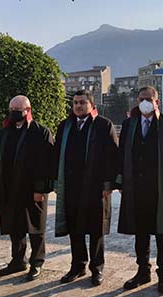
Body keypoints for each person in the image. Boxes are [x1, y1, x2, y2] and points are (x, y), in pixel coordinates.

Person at [113, 86, 163, 294]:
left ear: (156, 102)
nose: (144, 102)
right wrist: (120, 183)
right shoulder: (129, 124)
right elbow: (121, 154)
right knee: (141, 232)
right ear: (137, 101)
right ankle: (142, 271)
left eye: (148, 99)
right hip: (136, 187)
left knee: (162, 233)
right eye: (141, 99)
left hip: (159, 187)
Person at [0, 95, 58, 281]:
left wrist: (41, 190)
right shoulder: (4, 132)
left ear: (27, 111)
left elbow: (47, 164)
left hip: (32, 189)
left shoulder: (40, 132)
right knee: (14, 225)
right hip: (9, 188)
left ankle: (37, 263)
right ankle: (18, 261)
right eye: (12, 110)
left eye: (18, 110)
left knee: (35, 227)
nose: (14, 114)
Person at [52, 90, 120, 286]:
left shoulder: (103, 125)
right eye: (75, 103)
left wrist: (109, 184)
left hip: (96, 187)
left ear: (91, 104)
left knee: (95, 229)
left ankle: (97, 268)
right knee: (75, 229)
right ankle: (78, 266)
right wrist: (57, 183)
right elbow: (57, 155)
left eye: (82, 102)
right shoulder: (65, 126)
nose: (78, 106)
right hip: (72, 186)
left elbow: (112, 157)